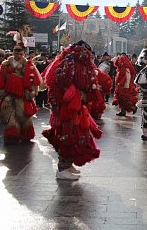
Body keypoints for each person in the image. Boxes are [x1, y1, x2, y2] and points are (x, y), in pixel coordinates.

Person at [42, 41, 102, 180]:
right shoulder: (72, 64)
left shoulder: (67, 62)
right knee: (69, 134)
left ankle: (67, 164)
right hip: (68, 107)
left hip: (72, 106)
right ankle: (62, 168)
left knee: (72, 133)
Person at [0, 44, 41, 144]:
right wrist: (1, 94)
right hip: (8, 96)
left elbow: (33, 82)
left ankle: (25, 134)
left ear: (23, 54)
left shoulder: (28, 65)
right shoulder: (5, 65)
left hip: (23, 96)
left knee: (24, 118)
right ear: (13, 53)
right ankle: (12, 136)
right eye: (16, 54)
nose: (18, 56)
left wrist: (30, 93)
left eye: (20, 54)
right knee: (10, 118)